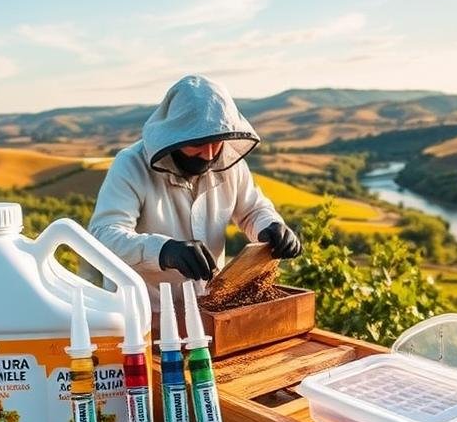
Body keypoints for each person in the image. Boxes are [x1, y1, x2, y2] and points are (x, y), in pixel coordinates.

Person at [88, 74, 302, 311]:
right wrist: (163, 251)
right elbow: (103, 235)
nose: (210, 155)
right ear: (176, 134)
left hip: (208, 311)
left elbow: (253, 210)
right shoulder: (131, 165)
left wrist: (270, 226)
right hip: (143, 315)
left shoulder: (229, 164)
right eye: (199, 144)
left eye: (217, 142)